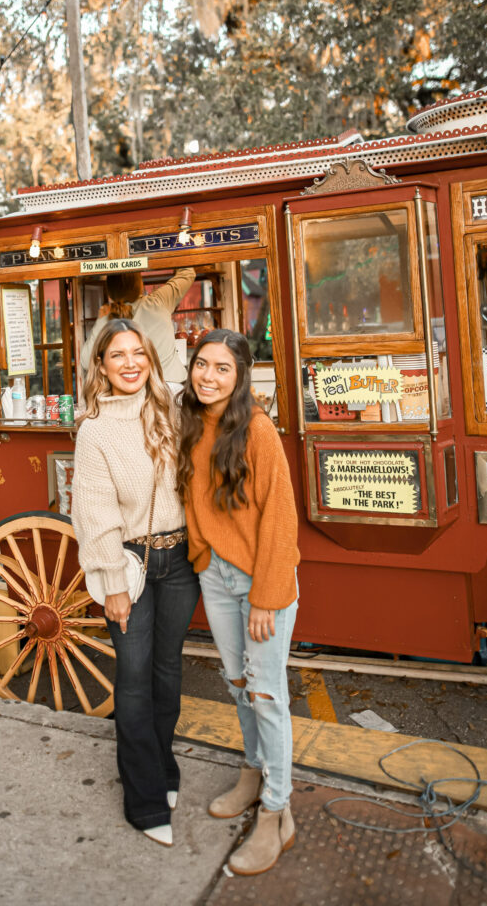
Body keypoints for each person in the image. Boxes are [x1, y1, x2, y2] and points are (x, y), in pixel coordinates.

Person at [72, 319, 200, 848]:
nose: (129, 364)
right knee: (133, 677)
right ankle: (143, 798)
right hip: (131, 565)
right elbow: (94, 513)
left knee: (168, 673)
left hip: (182, 562)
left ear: (151, 358)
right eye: (117, 356)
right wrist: (112, 583)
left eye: (138, 354)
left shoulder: (172, 406)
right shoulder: (95, 429)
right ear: (100, 367)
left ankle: (163, 767)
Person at [177, 329, 300, 877]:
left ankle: (278, 811)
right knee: (237, 684)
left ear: (241, 375)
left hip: (260, 582)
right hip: (217, 577)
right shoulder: (191, 423)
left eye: (222, 369)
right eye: (202, 364)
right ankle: (253, 774)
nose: (208, 376)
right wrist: (203, 556)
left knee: (268, 695)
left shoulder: (257, 429)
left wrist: (267, 596)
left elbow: (280, 518)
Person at [79, 267, 196, 388]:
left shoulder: (106, 318)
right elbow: (187, 272)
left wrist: (100, 321)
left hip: (132, 391)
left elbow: (86, 362)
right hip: (171, 386)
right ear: (140, 284)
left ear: (109, 291)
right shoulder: (159, 301)